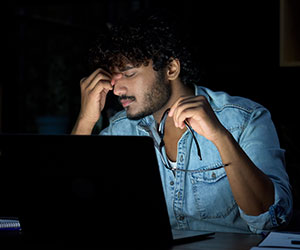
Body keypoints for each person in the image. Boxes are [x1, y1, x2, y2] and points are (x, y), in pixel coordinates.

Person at [72, 11, 292, 233]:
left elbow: (271, 220)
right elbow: (70, 204)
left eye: (128, 74)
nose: (117, 90)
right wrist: (85, 120)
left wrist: (219, 136)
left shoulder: (246, 118)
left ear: (171, 69)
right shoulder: (121, 130)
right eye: (113, 78)